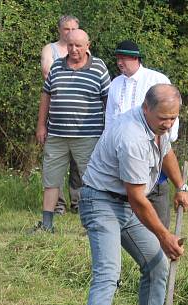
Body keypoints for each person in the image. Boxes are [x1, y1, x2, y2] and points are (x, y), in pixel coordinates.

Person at [80, 84, 188, 305]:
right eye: (163, 119)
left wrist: (181, 186)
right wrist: (164, 235)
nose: (168, 124)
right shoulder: (131, 137)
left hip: (124, 204)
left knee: (157, 263)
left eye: (173, 118)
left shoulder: (160, 124)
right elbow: (138, 200)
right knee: (108, 273)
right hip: (100, 201)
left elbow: (166, 151)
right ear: (146, 108)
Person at [35, 29, 110, 233]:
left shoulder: (99, 67)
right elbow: (46, 95)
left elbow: (108, 101)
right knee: (51, 180)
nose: (74, 49)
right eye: (70, 45)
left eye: (78, 45)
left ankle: (92, 225)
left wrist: (109, 131)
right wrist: (41, 125)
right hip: (57, 134)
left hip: (88, 136)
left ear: (88, 45)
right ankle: (47, 224)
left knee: (91, 181)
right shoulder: (57, 65)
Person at [105, 39, 178, 227]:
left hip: (153, 143)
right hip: (123, 146)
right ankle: (123, 224)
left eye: (124, 58)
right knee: (128, 188)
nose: (120, 62)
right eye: (118, 58)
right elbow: (110, 119)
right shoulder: (115, 84)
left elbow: (171, 112)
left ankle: (161, 228)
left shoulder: (156, 79)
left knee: (156, 185)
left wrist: (167, 138)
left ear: (136, 58)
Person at [41, 15, 81, 215]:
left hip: (81, 122)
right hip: (57, 116)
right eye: (67, 29)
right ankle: (58, 205)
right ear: (59, 30)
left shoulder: (83, 50)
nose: (70, 32)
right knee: (56, 163)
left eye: (74, 28)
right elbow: (48, 74)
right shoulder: (50, 50)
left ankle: (78, 202)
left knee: (79, 164)